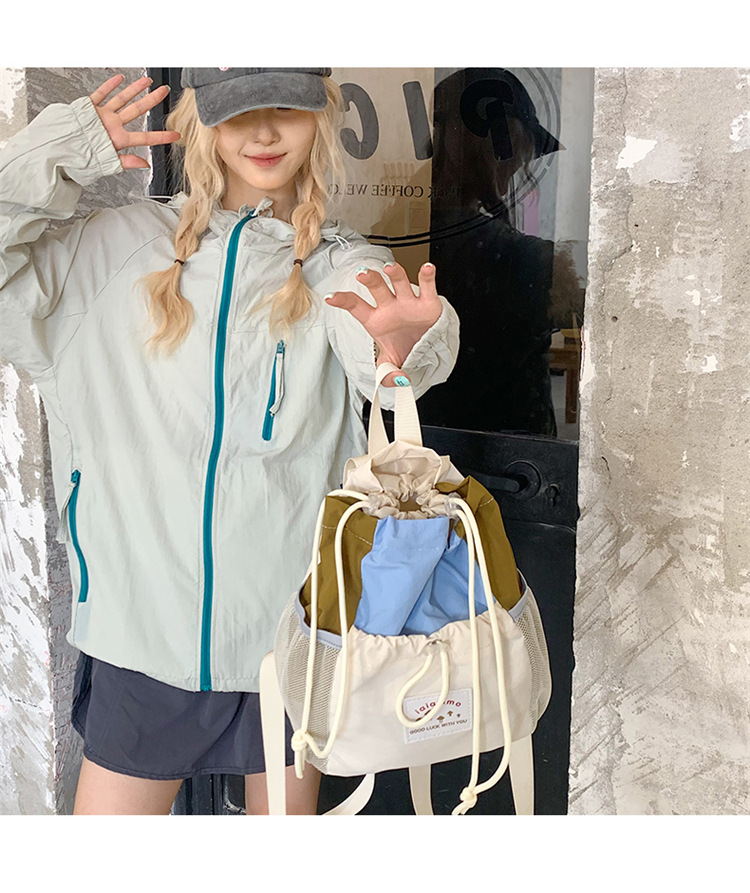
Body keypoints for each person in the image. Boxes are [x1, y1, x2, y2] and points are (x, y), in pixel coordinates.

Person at [0, 68, 459, 815]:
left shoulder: (343, 265)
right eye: (239, 112)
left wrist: (405, 346)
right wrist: (65, 146)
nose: (265, 132)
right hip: (141, 637)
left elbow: (384, 348)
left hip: (291, 640)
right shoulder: (110, 251)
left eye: (286, 108)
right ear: (201, 121)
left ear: (321, 115)